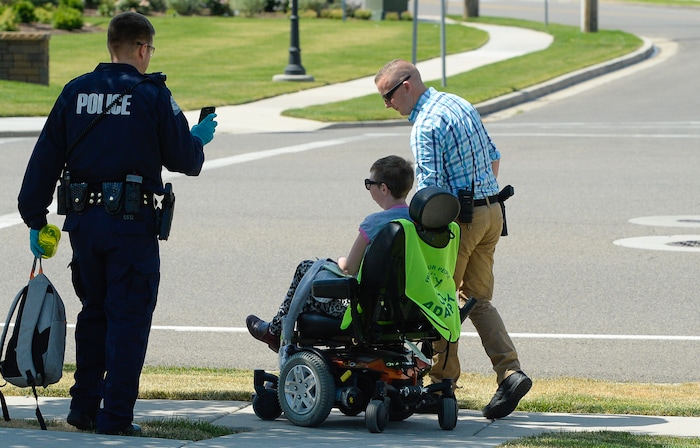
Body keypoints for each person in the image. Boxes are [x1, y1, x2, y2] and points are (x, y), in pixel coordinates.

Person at [17, 12, 218, 435]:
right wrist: (197, 138)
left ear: (111, 46)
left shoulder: (74, 92)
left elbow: (44, 160)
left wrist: (35, 219)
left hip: (84, 227)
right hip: (131, 227)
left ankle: (83, 407)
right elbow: (186, 160)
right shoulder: (152, 93)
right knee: (128, 321)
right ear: (143, 49)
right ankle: (116, 417)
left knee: (94, 316)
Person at [374, 59, 531, 420]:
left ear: (407, 85)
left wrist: (424, 232)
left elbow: (431, 189)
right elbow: (494, 157)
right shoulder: (458, 103)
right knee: (476, 300)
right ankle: (510, 373)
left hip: (463, 219)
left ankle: (442, 385)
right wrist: (480, 199)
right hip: (492, 212)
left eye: (388, 96)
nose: (387, 104)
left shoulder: (425, 125)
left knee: (439, 301)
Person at [246, 155, 414, 352]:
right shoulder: (420, 222)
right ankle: (277, 330)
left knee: (307, 269)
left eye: (370, 184)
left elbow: (349, 268)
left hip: (364, 309)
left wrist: (339, 261)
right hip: (406, 307)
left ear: (384, 188)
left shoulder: (375, 223)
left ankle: (275, 332)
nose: (369, 188)